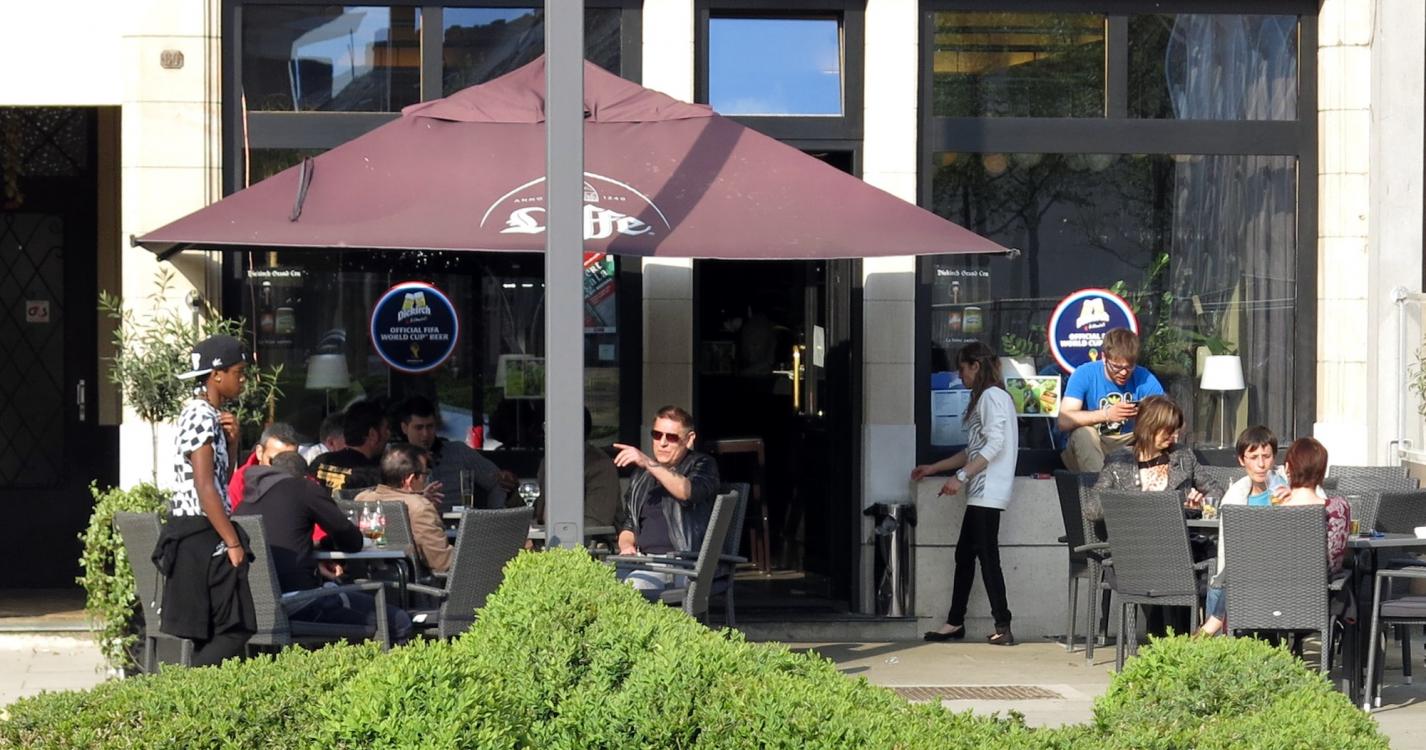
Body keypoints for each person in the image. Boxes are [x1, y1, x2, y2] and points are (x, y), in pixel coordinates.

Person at [152, 334, 255, 666]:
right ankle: (187, 686)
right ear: (216, 375)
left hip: (204, 530)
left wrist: (233, 442)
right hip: (199, 534)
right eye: (238, 372)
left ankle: (195, 691)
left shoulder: (212, 415)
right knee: (234, 629)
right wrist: (233, 542)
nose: (243, 380)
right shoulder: (199, 415)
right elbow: (204, 486)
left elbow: (220, 482)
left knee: (216, 631)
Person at [234, 451, 413, 642]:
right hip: (300, 603)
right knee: (398, 622)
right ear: (305, 476)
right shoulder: (303, 488)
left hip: (255, 610)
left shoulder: (243, 504)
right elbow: (351, 540)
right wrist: (329, 543)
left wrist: (315, 549)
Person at [913, 342, 1019, 646]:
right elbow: (973, 450)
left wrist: (960, 477)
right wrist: (935, 468)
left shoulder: (991, 397)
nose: (960, 376)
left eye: (962, 369)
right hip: (984, 491)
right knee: (967, 555)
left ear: (976, 365)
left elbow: (994, 445)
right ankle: (956, 621)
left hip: (987, 490)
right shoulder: (993, 397)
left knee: (985, 557)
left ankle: (1001, 625)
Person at [1199, 437, 1350, 637]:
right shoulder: (1339, 507)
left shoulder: (1272, 513)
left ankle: (1210, 627)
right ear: (1322, 471)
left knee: (1235, 572)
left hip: (1266, 600)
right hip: (1316, 598)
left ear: (1287, 469)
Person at [612, 405, 721, 599]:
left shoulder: (702, 464)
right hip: (641, 560)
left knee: (631, 588)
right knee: (597, 585)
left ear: (689, 439)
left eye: (671, 437)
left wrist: (648, 463)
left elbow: (687, 492)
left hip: (682, 562)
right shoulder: (641, 476)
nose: (662, 443)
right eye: (657, 435)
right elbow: (629, 524)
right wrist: (627, 546)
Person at [1085, 395, 1223, 519]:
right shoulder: (1118, 461)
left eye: (1176, 430)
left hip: (1177, 535)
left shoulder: (1182, 456)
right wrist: (1131, 504)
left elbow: (1216, 491)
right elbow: (1092, 509)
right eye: (1168, 431)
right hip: (1133, 535)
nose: (1174, 436)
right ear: (1148, 427)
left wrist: (1200, 506)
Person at [1057, 328, 1165, 473]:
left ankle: (1159, 482)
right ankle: (1100, 485)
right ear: (1104, 357)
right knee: (1083, 433)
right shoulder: (1084, 373)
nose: (1123, 373)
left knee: (1158, 432)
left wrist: (1145, 414)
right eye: (1117, 367)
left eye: (1129, 367)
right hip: (1094, 444)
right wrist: (1107, 414)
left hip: (1129, 444)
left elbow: (1171, 418)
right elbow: (1063, 420)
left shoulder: (1144, 377)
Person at [394, 395, 515, 510]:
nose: (425, 434)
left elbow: (500, 482)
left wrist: (493, 515)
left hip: (457, 523)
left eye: (430, 427)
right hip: (414, 522)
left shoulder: (458, 451)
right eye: (419, 428)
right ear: (404, 428)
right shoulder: (393, 461)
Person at [355, 444, 455, 575]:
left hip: (372, 579)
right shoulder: (419, 507)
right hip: (418, 583)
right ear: (410, 479)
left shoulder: (362, 499)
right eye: (425, 474)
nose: (426, 479)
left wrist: (419, 497)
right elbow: (441, 562)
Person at [535, 408, 622, 529]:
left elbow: (595, 523)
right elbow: (536, 512)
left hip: (589, 539)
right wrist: (512, 492)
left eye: (552, 426)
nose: (546, 432)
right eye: (545, 426)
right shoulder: (548, 461)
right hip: (545, 537)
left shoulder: (600, 466)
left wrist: (552, 535)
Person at [310, 400, 386, 493]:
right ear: (373, 435)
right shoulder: (374, 476)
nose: (389, 434)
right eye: (386, 429)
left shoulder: (319, 463)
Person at [228, 422, 301, 512]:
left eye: (289, 461)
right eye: (273, 461)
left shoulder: (304, 481)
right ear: (259, 452)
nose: (281, 470)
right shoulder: (241, 480)